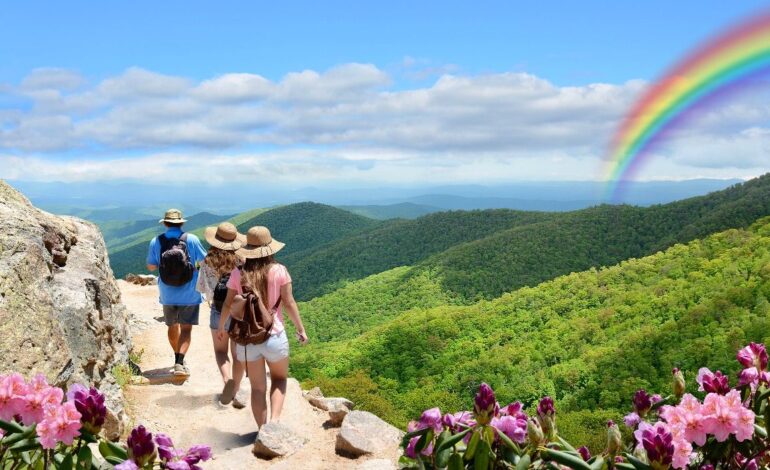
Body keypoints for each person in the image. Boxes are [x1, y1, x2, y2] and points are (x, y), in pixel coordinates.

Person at [219, 226, 308, 427]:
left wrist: (222, 327)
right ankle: (274, 423)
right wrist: (300, 329)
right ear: (270, 248)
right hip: (274, 335)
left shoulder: (237, 273)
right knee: (279, 380)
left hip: (248, 338)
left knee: (257, 388)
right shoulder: (279, 271)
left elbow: (227, 303)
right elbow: (289, 302)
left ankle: (261, 430)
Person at [146, 208, 207, 376]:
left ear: (165, 223)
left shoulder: (156, 241)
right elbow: (204, 261)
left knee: (172, 326)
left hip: (167, 293)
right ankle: (179, 362)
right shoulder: (192, 239)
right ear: (181, 223)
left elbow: (151, 266)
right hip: (190, 293)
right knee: (186, 329)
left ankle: (177, 357)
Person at [196, 222, 247, 408]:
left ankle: (227, 380)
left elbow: (203, 289)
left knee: (220, 351)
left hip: (218, 311)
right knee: (237, 354)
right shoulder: (242, 262)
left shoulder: (207, 262)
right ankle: (237, 387)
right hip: (239, 313)